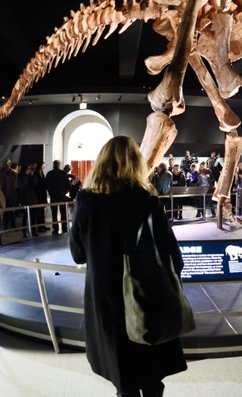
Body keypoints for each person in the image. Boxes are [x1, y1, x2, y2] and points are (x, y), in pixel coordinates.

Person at [69, 135, 187, 397]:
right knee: (152, 373)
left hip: (107, 298)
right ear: (137, 163)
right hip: (148, 294)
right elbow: (172, 254)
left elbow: (78, 254)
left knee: (124, 377)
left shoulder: (86, 200)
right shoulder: (148, 200)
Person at [46, 160, 71, 234]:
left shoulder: (50, 173)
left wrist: (50, 191)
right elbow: (68, 185)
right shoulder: (63, 174)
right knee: (63, 213)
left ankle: (55, 229)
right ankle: (64, 228)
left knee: (54, 213)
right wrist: (66, 190)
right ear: (59, 165)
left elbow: (46, 185)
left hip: (53, 195)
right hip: (61, 195)